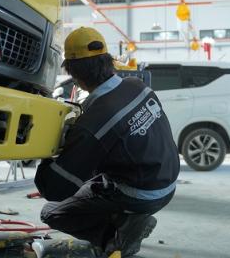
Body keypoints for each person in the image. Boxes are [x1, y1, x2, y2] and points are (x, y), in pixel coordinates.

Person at [35, 27, 180, 257]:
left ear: (73, 75)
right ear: (107, 61)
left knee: (52, 212)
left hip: (140, 193)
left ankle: (117, 237)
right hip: (168, 184)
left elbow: (54, 188)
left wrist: (43, 151)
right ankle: (126, 219)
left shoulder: (93, 123)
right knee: (89, 183)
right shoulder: (138, 86)